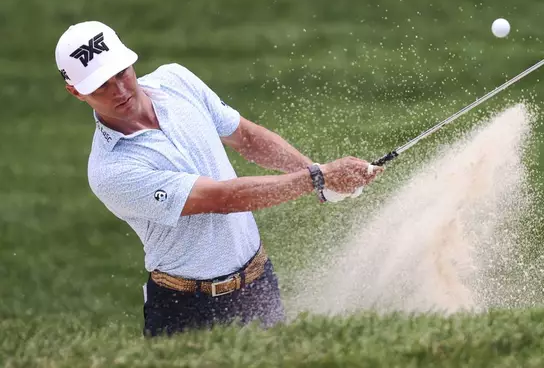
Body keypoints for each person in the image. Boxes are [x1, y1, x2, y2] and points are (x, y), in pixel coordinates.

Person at [54, 21, 383, 337]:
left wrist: (319, 175)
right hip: (187, 309)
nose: (121, 90)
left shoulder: (175, 80)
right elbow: (224, 199)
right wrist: (317, 177)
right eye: (101, 86)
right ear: (75, 92)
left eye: (121, 73)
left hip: (258, 282)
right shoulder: (111, 170)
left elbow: (245, 137)